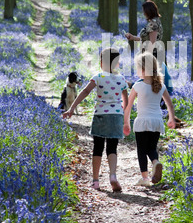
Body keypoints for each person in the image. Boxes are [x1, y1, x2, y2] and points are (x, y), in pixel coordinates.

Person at [63, 47, 128, 192]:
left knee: (98, 148)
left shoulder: (98, 77)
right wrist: (123, 116)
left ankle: (96, 181)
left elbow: (85, 91)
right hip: (116, 116)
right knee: (112, 148)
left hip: (100, 115)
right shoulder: (122, 79)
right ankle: (112, 176)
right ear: (117, 64)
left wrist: (71, 108)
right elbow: (126, 101)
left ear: (101, 63)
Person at [123, 52, 176, 187]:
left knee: (141, 149)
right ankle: (155, 162)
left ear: (141, 69)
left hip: (142, 122)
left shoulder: (138, 86)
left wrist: (126, 123)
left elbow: (128, 106)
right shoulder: (161, 85)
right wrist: (171, 119)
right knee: (151, 148)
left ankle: (145, 178)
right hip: (157, 121)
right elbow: (169, 104)